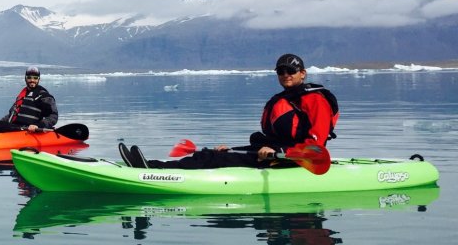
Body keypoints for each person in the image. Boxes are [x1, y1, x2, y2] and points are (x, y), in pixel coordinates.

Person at [123, 53, 339, 169]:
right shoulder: (287, 98)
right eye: (281, 71)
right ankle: (154, 165)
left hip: (291, 159)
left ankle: (155, 169)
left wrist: (279, 154)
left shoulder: (315, 100)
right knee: (215, 152)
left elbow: (316, 146)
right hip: (275, 151)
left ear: (303, 73)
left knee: (215, 160)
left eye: (291, 70)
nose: (285, 74)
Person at [0, 66, 58, 134]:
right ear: (25, 78)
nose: (32, 80)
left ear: (38, 79)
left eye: (35, 78)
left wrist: (38, 125)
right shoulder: (22, 95)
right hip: (15, 128)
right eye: (29, 77)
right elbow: (11, 115)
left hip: (28, 131)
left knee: (0, 125)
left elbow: (53, 117)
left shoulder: (44, 96)